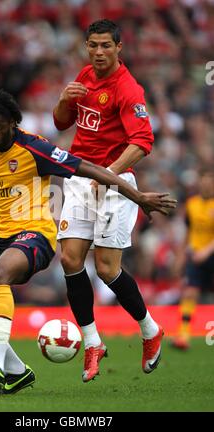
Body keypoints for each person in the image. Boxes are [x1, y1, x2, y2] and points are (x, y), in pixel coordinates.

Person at [0, 89, 176, 395]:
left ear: (12, 124)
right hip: (1, 235)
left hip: (36, 235)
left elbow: (90, 169)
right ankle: (17, 371)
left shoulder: (36, 148)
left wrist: (137, 196)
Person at [53, 19, 165, 382]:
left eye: (105, 46)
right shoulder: (85, 74)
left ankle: (150, 330)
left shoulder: (129, 89)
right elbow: (60, 123)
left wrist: (110, 174)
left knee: (105, 268)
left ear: (119, 48)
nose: (98, 53)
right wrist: (63, 101)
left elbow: (143, 141)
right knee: (69, 259)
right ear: (86, 46)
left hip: (115, 183)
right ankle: (92, 343)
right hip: (80, 178)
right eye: (93, 45)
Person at [171, 170, 214, 350]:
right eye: (203, 182)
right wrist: (180, 256)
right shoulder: (192, 204)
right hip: (195, 255)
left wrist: (207, 251)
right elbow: (189, 232)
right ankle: (184, 334)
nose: (205, 185)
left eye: (209, 183)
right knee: (190, 292)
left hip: (209, 254)